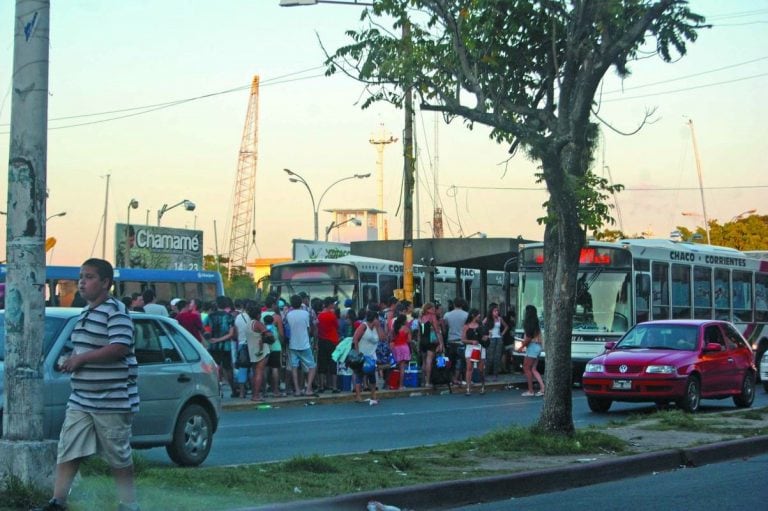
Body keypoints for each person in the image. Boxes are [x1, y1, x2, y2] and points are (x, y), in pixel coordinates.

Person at [33, 258, 140, 511]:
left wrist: (81, 359)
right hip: (82, 398)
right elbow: (82, 349)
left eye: (90, 277)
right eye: (81, 276)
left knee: (117, 455)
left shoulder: (115, 311)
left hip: (111, 398)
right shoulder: (85, 312)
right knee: (68, 448)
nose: (82, 282)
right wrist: (70, 360)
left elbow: (120, 347)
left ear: (105, 283)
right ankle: (58, 501)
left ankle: (129, 503)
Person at [286, 294, 318, 397]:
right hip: (305, 344)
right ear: (301, 302)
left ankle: (297, 390)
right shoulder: (305, 314)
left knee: (294, 367)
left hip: (293, 344)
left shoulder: (288, 314)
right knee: (312, 366)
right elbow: (309, 329)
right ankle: (308, 388)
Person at [206, 295, 237, 397]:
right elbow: (231, 334)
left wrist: (212, 339)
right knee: (228, 368)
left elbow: (205, 330)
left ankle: (218, 391)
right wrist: (220, 339)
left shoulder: (209, 316)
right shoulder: (229, 317)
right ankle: (233, 390)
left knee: (215, 369)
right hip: (226, 347)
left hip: (213, 347)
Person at [352, 310, 385, 405]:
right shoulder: (363, 326)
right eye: (376, 319)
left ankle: (373, 395)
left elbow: (383, 338)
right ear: (373, 318)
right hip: (362, 353)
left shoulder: (376, 328)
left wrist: (378, 327)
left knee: (371, 375)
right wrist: (357, 353)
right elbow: (355, 338)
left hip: (372, 355)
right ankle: (358, 396)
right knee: (359, 374)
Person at [245, 302, 272, 402]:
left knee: (254, 372)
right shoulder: (258, 324)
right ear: (258, 314)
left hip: (252, 350)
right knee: (259, 372)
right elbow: (268, 334)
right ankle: (256, 395)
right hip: (261, 351)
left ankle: (254, 393)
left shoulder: (249, 324)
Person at [517, 304, 545, 397]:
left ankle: (530, 390)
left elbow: (528, 338)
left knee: (526, 368)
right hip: (538, 347)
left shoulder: (528, 323)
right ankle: (542, 388)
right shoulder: (536, 322)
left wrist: (521, 347)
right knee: (533, 369)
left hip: (532, 347)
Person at [316, 296, 341, 393]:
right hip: (332, 341)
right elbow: (337, 326)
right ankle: (334, 387)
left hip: (322, 341)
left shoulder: (319, 316)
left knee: (322, 364)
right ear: (330, 304)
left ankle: (321, 386)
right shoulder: (332, 315)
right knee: (333, 363)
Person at [462, 308, 488, 396]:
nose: (479, 317)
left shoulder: (481, 325)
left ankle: (483, 385)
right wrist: (471, 341)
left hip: (480, 347)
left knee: (481, 369)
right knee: (469, 368)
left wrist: (486, 338)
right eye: (478, 316)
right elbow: (463, 339)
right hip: (470, 347)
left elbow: (486, 335)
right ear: (473, 316)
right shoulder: (466, 326)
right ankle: (468, 388)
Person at [443, 298, 468, 385]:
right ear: (462, 305)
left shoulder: (447, 314)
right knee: (460, 361)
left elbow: (444, 327)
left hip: (450, 340)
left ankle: (451, 379)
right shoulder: (466, 315)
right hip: (461, 341)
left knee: (451, 362)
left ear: (454, 304)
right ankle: (458, 378)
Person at [418, 302, 444, 387]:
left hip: (422, 340)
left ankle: (423, 380)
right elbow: (437, 330)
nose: (433, 310)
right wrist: (441, 343)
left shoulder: (421, 317)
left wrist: (419, 343)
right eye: (432, 308)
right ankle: (428, 381)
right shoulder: (432, 317)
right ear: (428, 309)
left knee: (424, 361)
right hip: (430, 341)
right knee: (429, 360)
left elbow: (419, 332)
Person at [483, 304, 509, 381]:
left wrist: (502, 334)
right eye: (495, 311)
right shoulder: (487, 319)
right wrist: (487, 334)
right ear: (491, 312)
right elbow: (481, 325)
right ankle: (485, 374)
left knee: (497, 357)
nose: (497, 312)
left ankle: (495, 375)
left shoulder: (500, 319)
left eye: (497, 311)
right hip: (491, 339)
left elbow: (506, 326)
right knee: (490, 357)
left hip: (498, 338)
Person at [389, 313, 411, 389]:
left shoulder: (393, 329)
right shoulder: (406, 328)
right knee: (402, 367)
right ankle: (401, 385)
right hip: (404, 347)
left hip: (396, 348)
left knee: (395, 366)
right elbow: (409, 340)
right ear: (404, 321)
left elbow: (391, 339)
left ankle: (392, 383)